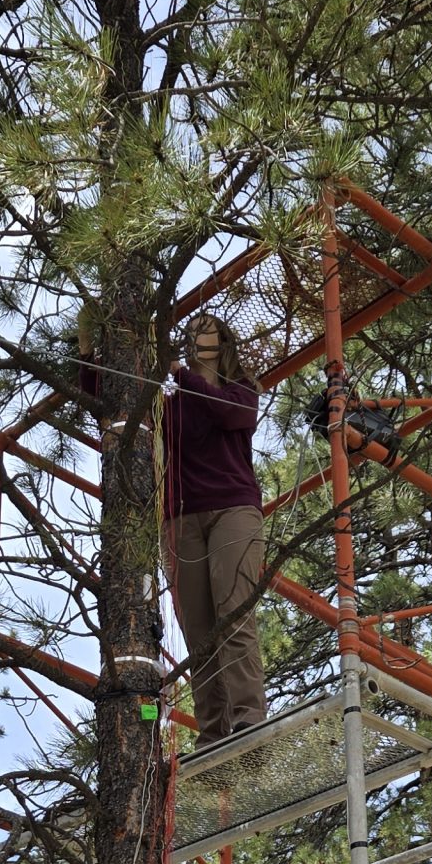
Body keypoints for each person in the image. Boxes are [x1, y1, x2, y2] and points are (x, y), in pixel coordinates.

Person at [163, 313, 267, 744]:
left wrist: (181, 375)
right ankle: (211, 734)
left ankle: (249, 719)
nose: (195, 330)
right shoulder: (174, 400)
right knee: (199, 635)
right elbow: (107, 396)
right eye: (191, 328)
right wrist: (88, 349)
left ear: (223, 340)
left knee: (233, 613)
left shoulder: (241, 389)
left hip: (232, 508)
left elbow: (229, 416)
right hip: (181, 518)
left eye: (206, 325)